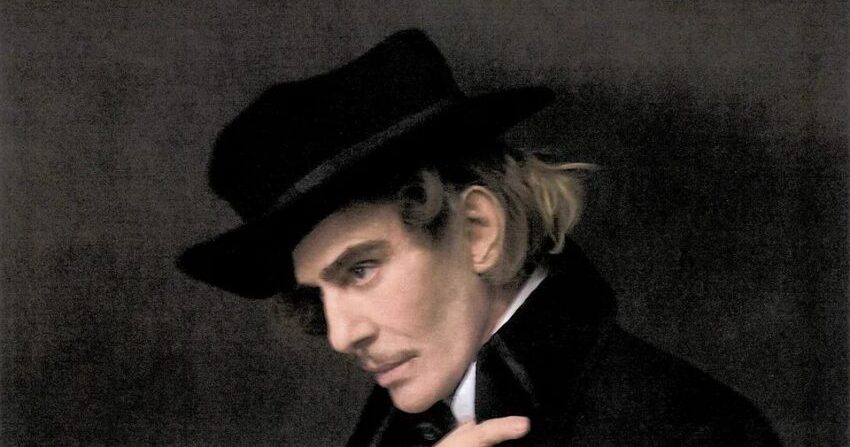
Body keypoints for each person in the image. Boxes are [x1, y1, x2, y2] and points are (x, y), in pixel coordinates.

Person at [178, 29, 781, 446]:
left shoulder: (691, 434)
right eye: (317, 293)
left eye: (360, 269)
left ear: (477, 231)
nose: (341, 335)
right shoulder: (411, 416)